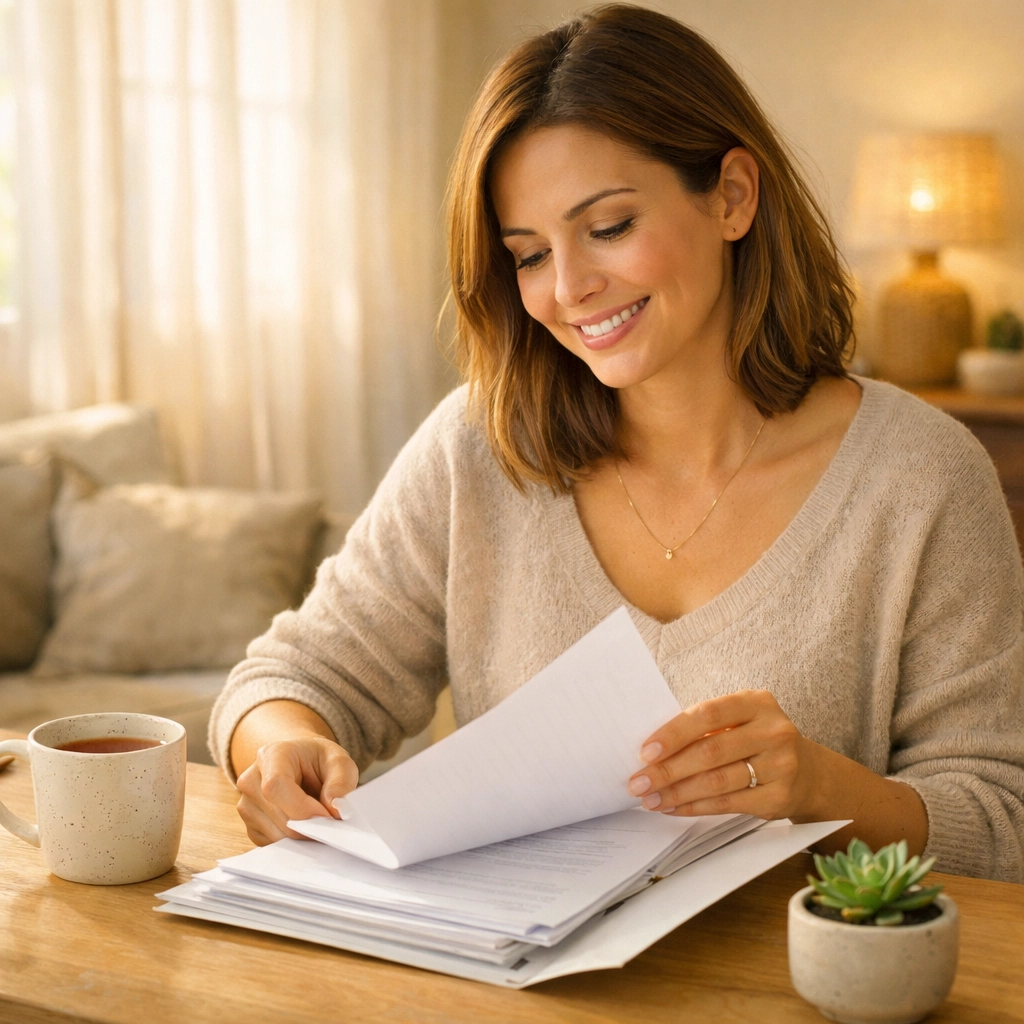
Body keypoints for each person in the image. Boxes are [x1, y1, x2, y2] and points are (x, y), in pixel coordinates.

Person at [208, 4, 1024, 881]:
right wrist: (284, 744)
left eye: (608, 228)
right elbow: (292, 676)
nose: (569, 289)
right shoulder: (480, 450)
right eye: (526, 255)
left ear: (733, 197)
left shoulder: (923, 477)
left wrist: (823, 789)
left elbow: (1003, 823)